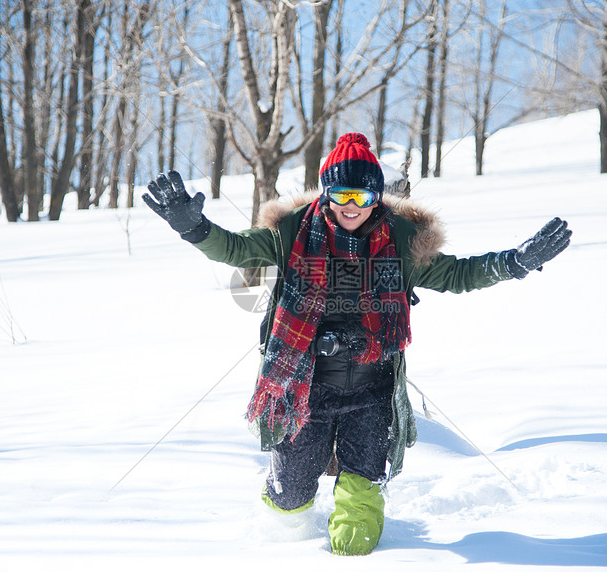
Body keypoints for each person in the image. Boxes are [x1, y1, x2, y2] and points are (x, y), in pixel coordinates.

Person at [142, 132, 571, 556]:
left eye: (363, 198)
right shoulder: (293, 230)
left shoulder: (402, 240)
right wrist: (194, 228)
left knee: (356, 530)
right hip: (305, 390)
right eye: (343, 196)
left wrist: (514, 263)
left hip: (373, 390)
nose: (352, 208)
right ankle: (280, 545)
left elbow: (459, 274)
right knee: (290, 500)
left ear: (376, 199)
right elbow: (235, 249)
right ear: (327, 193)